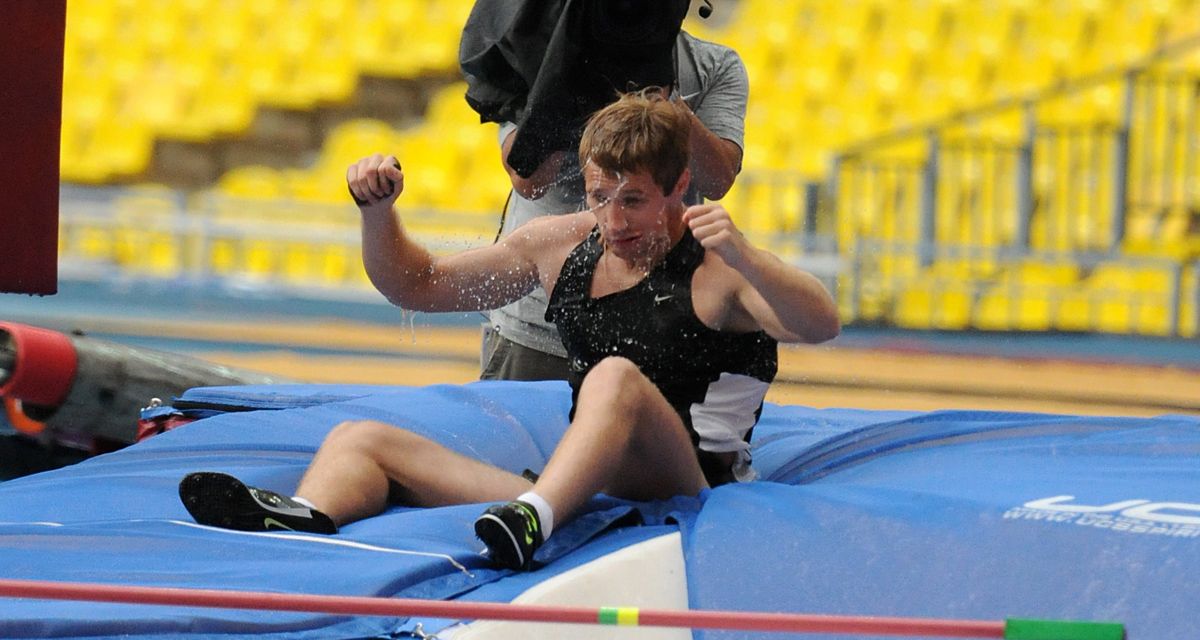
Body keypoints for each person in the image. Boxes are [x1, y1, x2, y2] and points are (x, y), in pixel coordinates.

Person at [178, 90, 839, 571]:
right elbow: (418, 285)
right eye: (599, 197)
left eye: (633, 200)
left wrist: (749, 256)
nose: (613, 221)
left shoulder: (719, 268)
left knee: (615, 379)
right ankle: (305, 517)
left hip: (690, 492)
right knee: (360, 440)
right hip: (584, 493)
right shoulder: (560, 244)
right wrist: (377, 213)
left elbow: (821, 323)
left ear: (679, 187)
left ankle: (536, 518)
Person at [477, 16, 750, 381]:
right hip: (537, 326)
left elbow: (717, 180)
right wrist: (565, 78)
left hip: (658, 326)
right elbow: (530, 180)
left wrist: (665, 102)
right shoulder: (536, 51)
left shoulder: (713, 65)